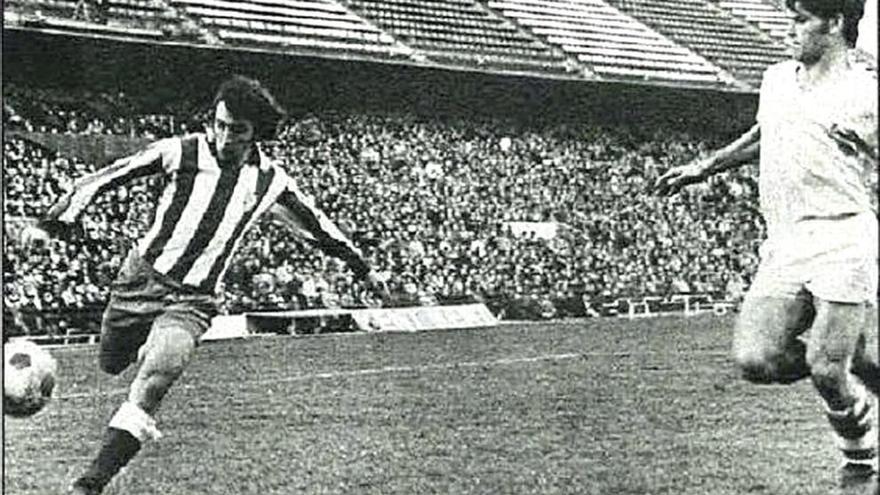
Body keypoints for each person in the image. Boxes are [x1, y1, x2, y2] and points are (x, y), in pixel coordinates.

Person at [21, 75, 388, 495]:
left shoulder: (270, 181)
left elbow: (319, 227)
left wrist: (363, 268)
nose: (225, 136)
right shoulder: (181, 150)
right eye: (220, 123)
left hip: (193, 299)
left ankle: (89, 484)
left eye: (237, 130)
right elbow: (106, 178)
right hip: (139, 280)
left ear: (256, 133)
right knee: (110, 362)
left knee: (157, 377)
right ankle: (138, 342)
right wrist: (51, 224)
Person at [655, 0, 878, 491]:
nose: (788, 31)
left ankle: (860, 460)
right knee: (756, 359)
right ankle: (858, 366)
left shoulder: (866, 93)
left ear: (836, 23)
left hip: (843, 234)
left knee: (824, 367)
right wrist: (705, 165)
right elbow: (767, 132)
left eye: (800, 20)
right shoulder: (777, 79)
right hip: (786, 241)